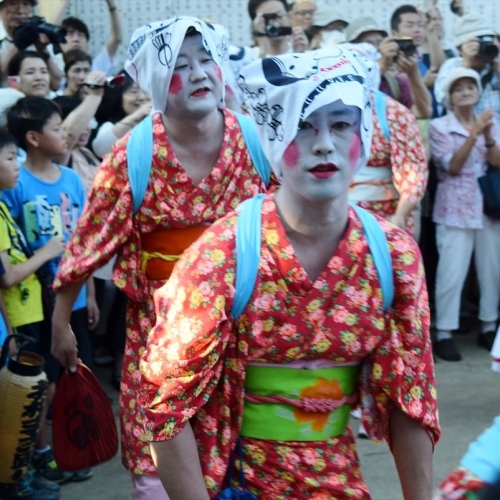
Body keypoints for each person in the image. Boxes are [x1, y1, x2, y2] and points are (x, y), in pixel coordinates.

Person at [139, 47, 440, 500]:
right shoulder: (223, 257)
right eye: (302, 124)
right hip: (237, 481)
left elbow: (408, 397)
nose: (324, 144)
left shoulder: (394, 256)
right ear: (272, 139)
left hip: (337, 480)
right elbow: (165, 405)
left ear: (364, 134)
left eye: (341, 124)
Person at [50, 17, 273, 500]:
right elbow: (88, 241)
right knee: (159, 455)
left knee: (252, 452)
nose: (198, 74)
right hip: (158, 333)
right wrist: (61, 322)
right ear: (152, 79)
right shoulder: (136, 153)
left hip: (245, 329)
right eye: (179, 64)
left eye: (206, 60)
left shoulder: (257, 142)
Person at [3, 96, 95, 484]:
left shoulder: (73, 179)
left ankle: (73, 447)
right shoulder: (13, 183)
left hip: (75, 297)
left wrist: (90, 295)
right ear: (33, 137)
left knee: (75, 376)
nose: (65, 135)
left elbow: (86, 243)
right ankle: (40, 455)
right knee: (43, 383)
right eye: (57, 129)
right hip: (36, 304)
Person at [0, 127, 65, 500]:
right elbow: (6, 278)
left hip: (29, 312)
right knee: (22, 398)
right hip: (18, 319)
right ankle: (16, 476)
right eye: (10, 158)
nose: (18, 165)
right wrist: (46, 253)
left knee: (36, 392)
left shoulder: (5, 206)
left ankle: (25, 467)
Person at [430, 67, 500, 362]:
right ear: (449, 96)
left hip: (487, 205)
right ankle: (444, 332)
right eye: (459, 88)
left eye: (470, 87)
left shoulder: (490, 122)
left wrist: (487, 135)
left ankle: (488, 325)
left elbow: (496, 163)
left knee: (491, 269)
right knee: (451, 272)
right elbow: (452, 166)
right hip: (454, 206)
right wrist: (475, 133)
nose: (466, 92)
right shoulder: (439, 126)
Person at [434, 11, 500, 124]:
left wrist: (497, 67)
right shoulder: (452, 65)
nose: (481, 46)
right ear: (460, 48)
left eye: (485, 39)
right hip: (464, 139)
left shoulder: (495, 66)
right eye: (476, 42)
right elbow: (443, 99)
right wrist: (466, 64)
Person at [0, 0, 63, 89]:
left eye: (26, 4)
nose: (21, 11)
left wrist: (42, 50)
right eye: (13, 4)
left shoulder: (39, 36)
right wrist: (15, 47)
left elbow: (56, 84)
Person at [51, 0, 122, 77]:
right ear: (60, 42)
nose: (76, 39)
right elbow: (48, 34)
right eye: (70, 35)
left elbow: (116, 38)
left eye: (80, 35)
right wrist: (64, 2)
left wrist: (112, 5)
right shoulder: (54, 64)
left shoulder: (97, 66)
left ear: (87, 45)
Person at [92, 70, 151, 158]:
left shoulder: (161, 123)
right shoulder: (109, 126)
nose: (142, 97)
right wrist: (137, 115)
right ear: (119, 97)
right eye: (134, 91)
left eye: (146, 90)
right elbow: (100, 150)